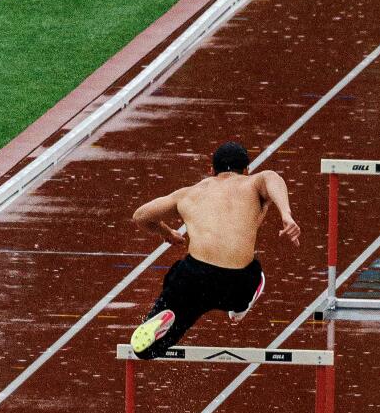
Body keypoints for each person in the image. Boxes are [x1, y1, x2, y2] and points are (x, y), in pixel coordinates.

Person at [128, 141, 301, 358]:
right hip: (236, 281)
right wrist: (286, 214)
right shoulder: (253, 183)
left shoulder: (188, 193)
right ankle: (243, 303)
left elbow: (140, 216)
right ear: (247, 170)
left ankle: (164, 318)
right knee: (250, 282)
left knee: (147, 351)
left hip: (192, 278)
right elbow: (272, 177)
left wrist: (166, 232)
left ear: (211, 171)